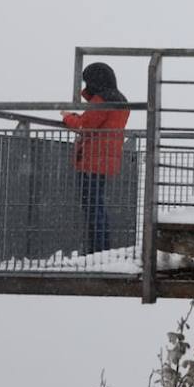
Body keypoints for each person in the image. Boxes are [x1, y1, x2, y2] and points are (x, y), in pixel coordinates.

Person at [62, 62, 131, 254]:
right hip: (106, 160)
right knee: (98, 207)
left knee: (93, 208)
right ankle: (101, 249)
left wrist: (67, 117)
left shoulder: (102, 100)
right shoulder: (121, 100)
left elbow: (85, 125)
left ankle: (97, 251)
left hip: (92, 160)